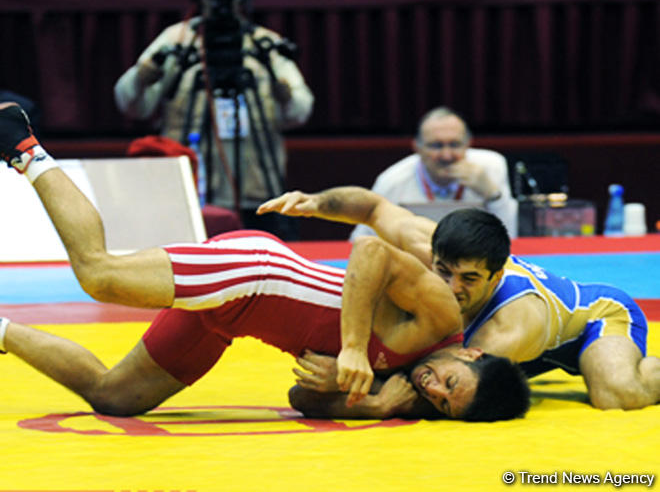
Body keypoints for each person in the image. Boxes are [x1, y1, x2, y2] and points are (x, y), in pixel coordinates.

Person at [0, 102, 529, 422]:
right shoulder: (441, 318)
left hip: (232, 315)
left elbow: (300, 395)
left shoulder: (404, 392)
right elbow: (370, 249)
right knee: (99, 275)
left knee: (113, 397)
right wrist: (352, 349)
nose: (433, 390)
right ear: (473, 354)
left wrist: (372, 405)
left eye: (441, 405)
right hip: (253, 274)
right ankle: (23, 145)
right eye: (448, 385)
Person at [259, 186, 660, 411]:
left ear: (496, 275)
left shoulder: (507, 329)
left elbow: (432, 388)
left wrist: (358, 386)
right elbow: (373, 207)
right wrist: (315, 204)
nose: (452, 288)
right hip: (526, 344)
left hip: (596, 320)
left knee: (615, 395)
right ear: (435, 255)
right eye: (444, 272)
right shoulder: (431, 245)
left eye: (470, 279)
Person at [114, 0, 314, 238]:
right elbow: (132, 104)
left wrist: (283, 94)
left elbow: (301, 109)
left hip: (256, 190)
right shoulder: (177, 40)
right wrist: (142, 78)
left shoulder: (262, 43)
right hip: (190, 191)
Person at [350, 106, 518, 240]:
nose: (446, 155)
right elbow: (360, 239)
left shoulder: (491, 167)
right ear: (417, 148)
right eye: (436, 146)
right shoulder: (393, 180)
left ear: (468, 143)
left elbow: (510, 236)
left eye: (455, 145)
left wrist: (493, 196)